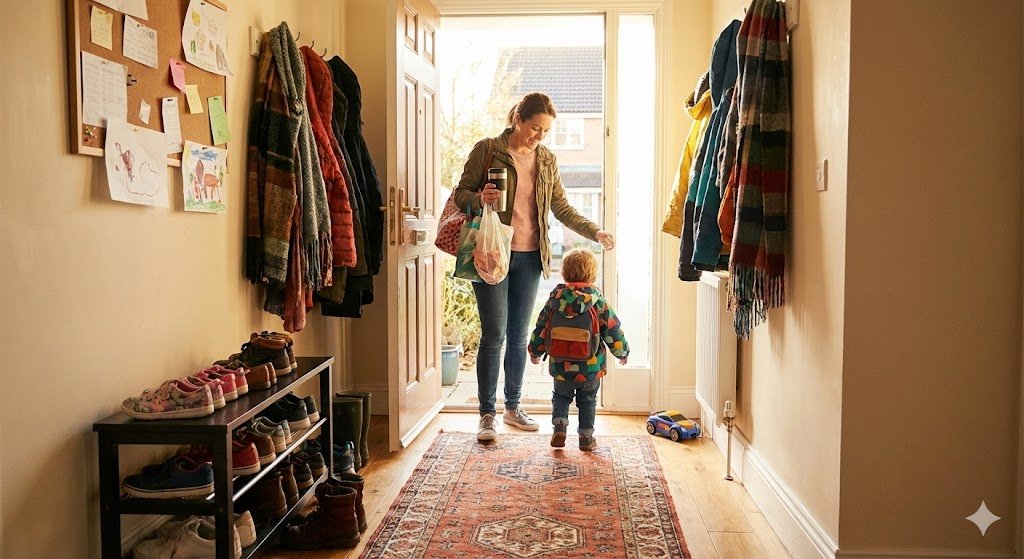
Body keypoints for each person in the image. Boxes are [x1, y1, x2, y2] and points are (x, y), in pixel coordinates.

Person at [452, 92, 615, 442]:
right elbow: (459, 194)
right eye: (535, 128)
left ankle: (512, 406)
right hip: (492, 254)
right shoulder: (488, 150)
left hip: (529, 257)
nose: (539, 136)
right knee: (493, 335)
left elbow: (561, 208)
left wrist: (594, 231)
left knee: (519, 335)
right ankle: (486, 414)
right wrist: (479, 199)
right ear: (518, 119)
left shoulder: (546, 160)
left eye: (545, 131)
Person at [527, 248, 629, 451]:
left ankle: (560, 427)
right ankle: (585, 438)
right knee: (588, 400)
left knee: (561, 396)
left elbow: (541, 328)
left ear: (564, 273)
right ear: (592, 275)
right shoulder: (598, 302)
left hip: (561, 365)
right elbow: (613, 330)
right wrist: (622, 352)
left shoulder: (554, 301)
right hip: (590, 367)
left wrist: (535, 351)